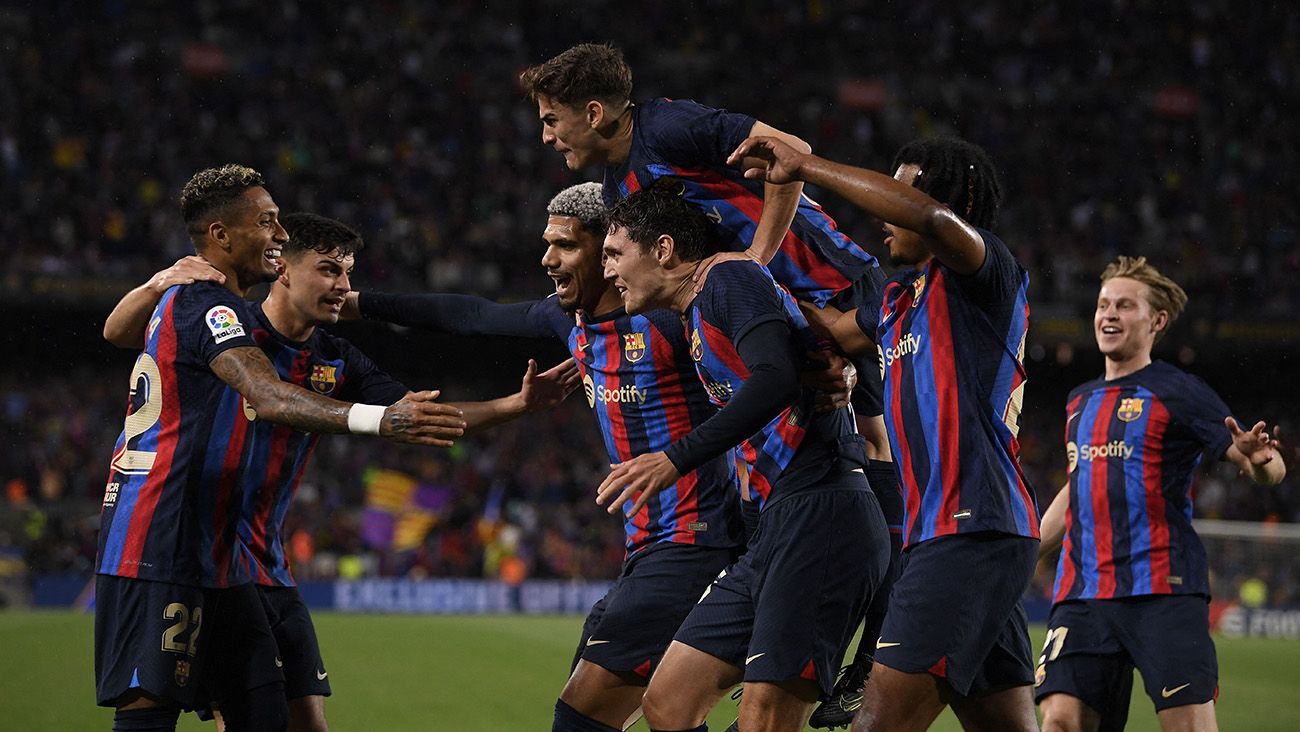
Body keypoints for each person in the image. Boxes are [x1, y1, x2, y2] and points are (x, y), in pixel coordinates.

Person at [521, 43, 903, 723]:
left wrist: (754, 261)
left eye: (553, 120)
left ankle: (874, 650)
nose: (546, 135)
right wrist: (594, 355)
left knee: (879, 450)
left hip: (840, 288)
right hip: (789, 320)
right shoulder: (621, 196)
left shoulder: (668, 128)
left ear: (595, 111)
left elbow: (788, 153)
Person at [102, 212, 577, 731]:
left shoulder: (336, 359)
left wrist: (517, 405)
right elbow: (125, 333)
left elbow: (418, 419)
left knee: (302, 723)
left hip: (268, 564)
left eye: (348, 273)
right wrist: (153, 286)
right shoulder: (229, 328)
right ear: (281, 266)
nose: (343, 288)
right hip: (195, 557)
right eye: (329, 270)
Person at [345, 183, 750, 732]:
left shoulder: (673, 317)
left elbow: (757, 362)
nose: (547, 259)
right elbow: (468, 314)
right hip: (646, 545)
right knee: (653, 711)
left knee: (580, 717)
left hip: (697, 538)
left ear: (610, 253)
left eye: (565, 245)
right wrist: (359, 304)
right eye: (546, 243)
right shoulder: (567, 321)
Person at [729, 134, 1042, 731]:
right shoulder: (900, 299)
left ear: (954, 204)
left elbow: (928, 216)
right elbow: (831, 330)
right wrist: (739, 274)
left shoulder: (986, 274)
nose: (881, 216)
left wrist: (809, 166)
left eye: (900, 191)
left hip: (970, 528)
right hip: (951, 534)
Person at [597, 182, 890, 732]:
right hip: (776, 526)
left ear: (662, 250)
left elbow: (775, 377)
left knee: (765, 718)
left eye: (615, 254)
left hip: (823, 512)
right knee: (668, 701)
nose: (607, 269)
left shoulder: (727, 279)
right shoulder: (694, 314)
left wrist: (673, 459)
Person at [1034, 256, 1286, 732]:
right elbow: (1077, 487)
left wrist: (1262, 461)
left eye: (1125, 306)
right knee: (1060, 722)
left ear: (1157, 320)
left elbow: (1263, 466)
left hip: (1161, 590)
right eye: (1104, 304)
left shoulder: (1178, 391)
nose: (1109, 314)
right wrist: (1026, 552)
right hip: (1082, 592)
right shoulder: (1079, 401)